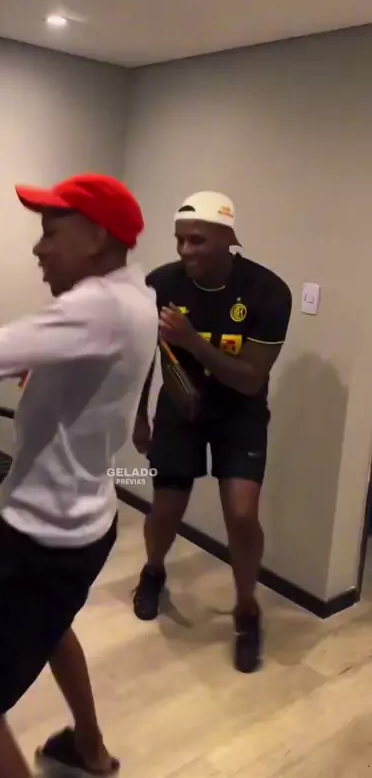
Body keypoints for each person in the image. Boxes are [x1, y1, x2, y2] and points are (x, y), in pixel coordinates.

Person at [0, 173, 158, 778]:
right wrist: (49, 362)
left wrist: (28, 348)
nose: (38, 249)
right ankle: (90, 751)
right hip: (89, 522)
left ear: (96, 236)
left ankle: (88, 750)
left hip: (38, 537)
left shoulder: (93, 306)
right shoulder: (137, 295)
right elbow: (99, 364)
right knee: (54, 625)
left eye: (50, 232)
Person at [132, 191, 292, 674]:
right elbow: (144, 355)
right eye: (179, 240)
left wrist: (191, 341)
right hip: (179, 410)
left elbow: (250, 378)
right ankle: (153, 571)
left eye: (197, 240)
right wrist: (138, 415)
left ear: (227, 238)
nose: (185, 250)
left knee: (241, 515)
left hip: (239, 414)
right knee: (166, 508)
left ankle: (247, 610)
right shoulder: (161, 283)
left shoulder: (268, 292)